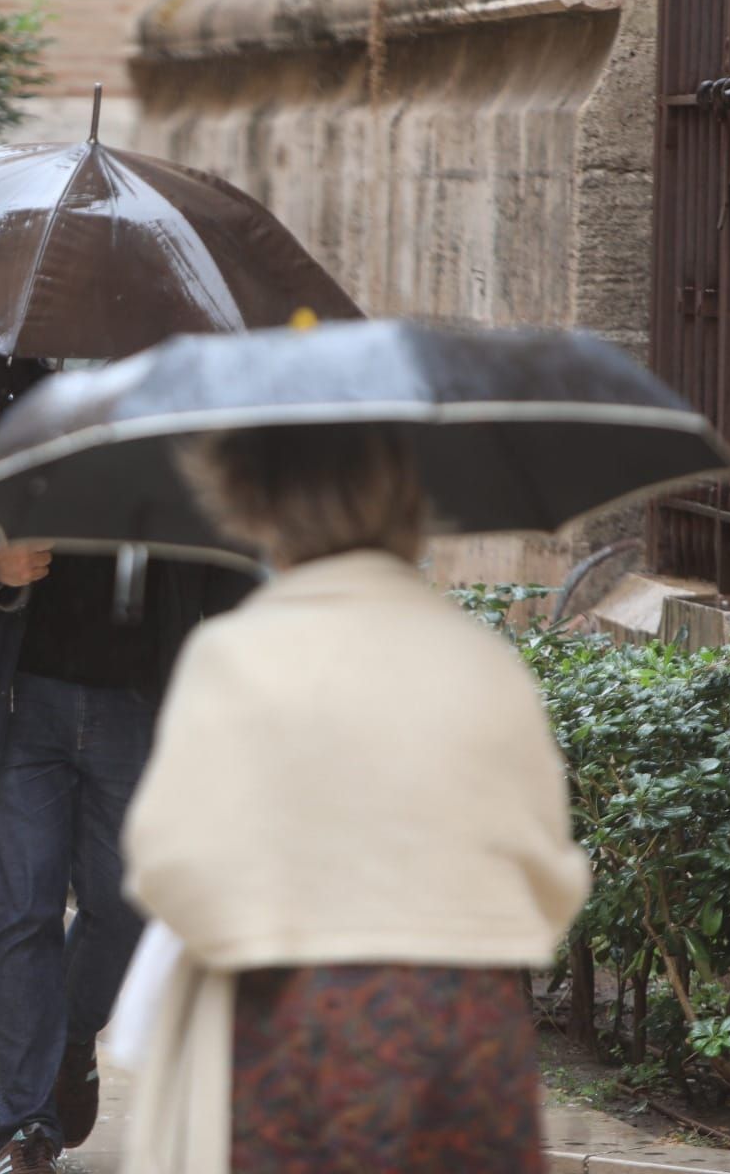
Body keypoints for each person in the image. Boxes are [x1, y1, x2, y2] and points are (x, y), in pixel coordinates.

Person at [117, 424, 593, 1174]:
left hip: (288, 1017)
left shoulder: (235, 655)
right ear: (408, 500)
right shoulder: (481, 659)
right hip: (465, 1024)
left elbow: (173, 866)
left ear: (259, 506)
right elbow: (550, 876)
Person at [0, 348, 251, 1174]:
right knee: (24, 909)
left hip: (139, 706)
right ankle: (27, 1127)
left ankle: (68, 1034)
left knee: (132, 904)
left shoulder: (185, 389)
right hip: (14, 702)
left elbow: (234, 555)